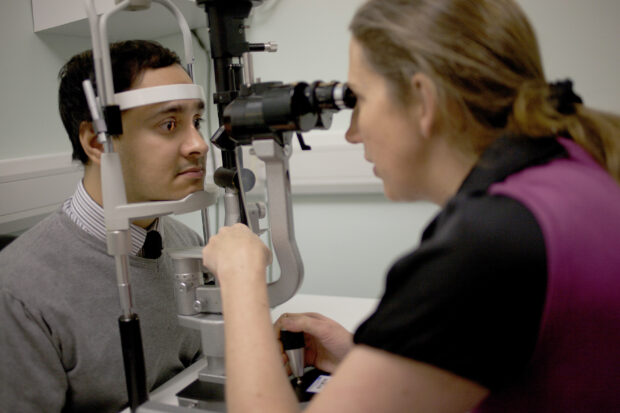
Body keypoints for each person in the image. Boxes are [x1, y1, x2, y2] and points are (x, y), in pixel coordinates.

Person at [200, 0, 620, 412]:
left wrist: (240, 278)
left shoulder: (487, 245)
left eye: (359, 99)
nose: (353, 134)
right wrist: (369, 360)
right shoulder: (573, 166)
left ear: (422, 99)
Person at [0, 40, 207, 412]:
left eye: (197, 122)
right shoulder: (17, 293)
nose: (198, 144)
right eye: (169, 124)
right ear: (98, 142)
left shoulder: (187, 245)